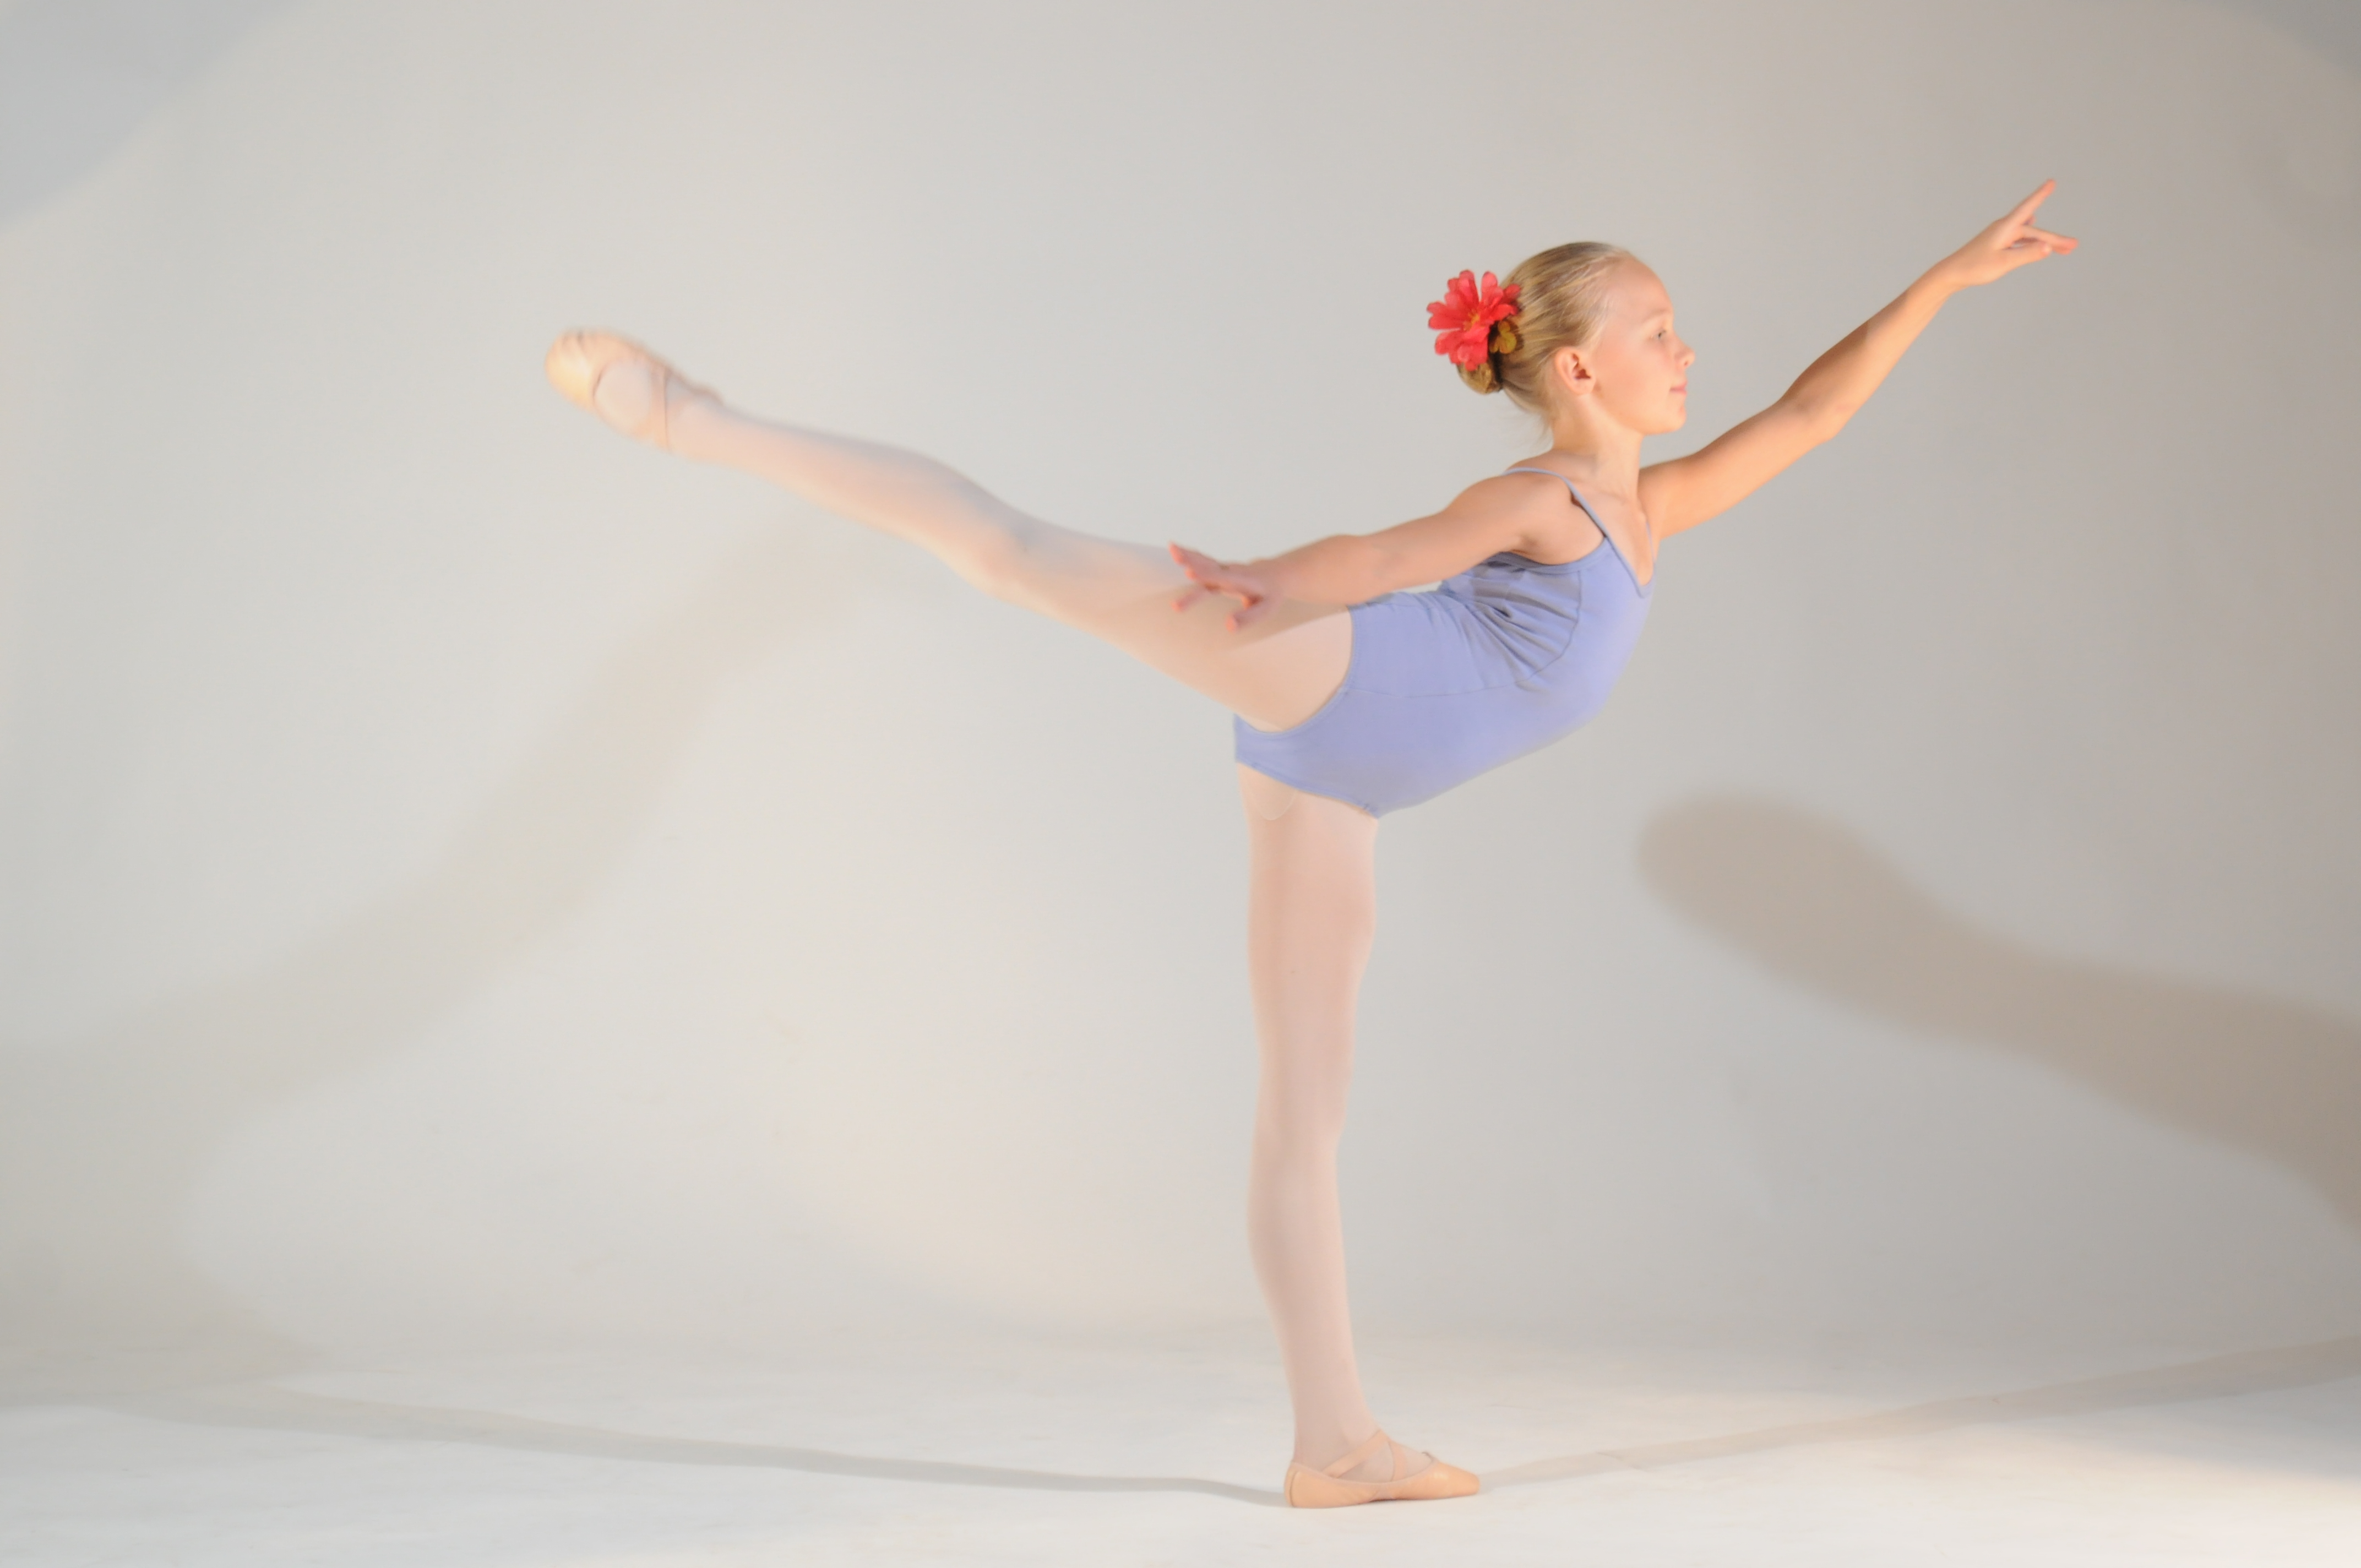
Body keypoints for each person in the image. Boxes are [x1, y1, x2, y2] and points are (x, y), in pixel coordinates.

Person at [544, 182, 2075, 1508]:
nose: (1688, 351)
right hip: (1330, 671)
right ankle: (689, 415)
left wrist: (1947, 278)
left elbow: (1812, 412)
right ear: (1580, 366)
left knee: (1305, 1118)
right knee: (1014, 554)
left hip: (1332, 789)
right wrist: (1273, 586)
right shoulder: (1546, 495)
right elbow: (1399, 553)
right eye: (1661, 329)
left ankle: (1335, 1448)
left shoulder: (1651, 510)